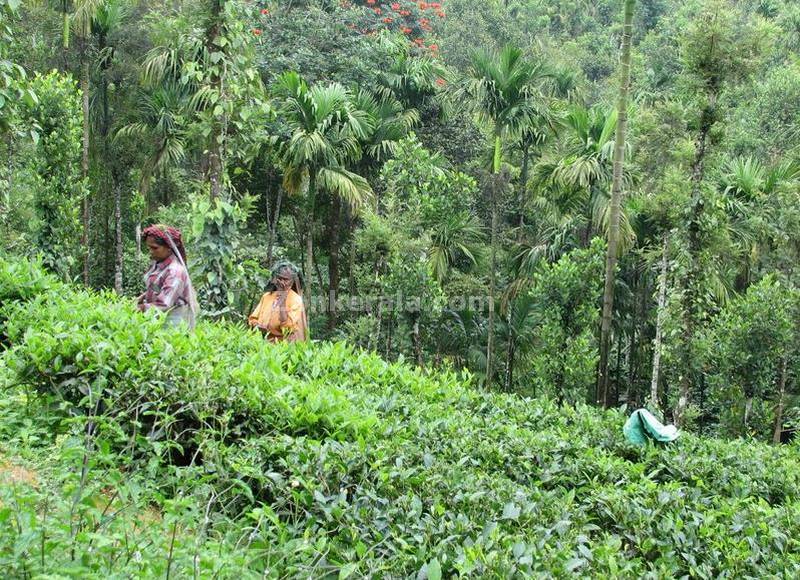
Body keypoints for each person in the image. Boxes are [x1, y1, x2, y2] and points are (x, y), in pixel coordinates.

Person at [137, 224, 199, 329]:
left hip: (173, 324)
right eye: (149, 248)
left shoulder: (175, 271)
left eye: (154, 248)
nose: (150, 252)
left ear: (169, 248)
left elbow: (164, 304)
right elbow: (159, 288)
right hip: (158, 320)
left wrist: (141, 308)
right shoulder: (157, 265)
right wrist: (143, 296)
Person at [248, 262, 308, 342]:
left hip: (283, 345)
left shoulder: (296, 299)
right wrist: (257, 326)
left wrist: (282, 299)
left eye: (286, 279)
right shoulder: (267, 296)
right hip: (261, 342)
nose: (282, 282)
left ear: (292, 281)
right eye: (279, 278)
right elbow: (253, 319)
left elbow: (287, 329)